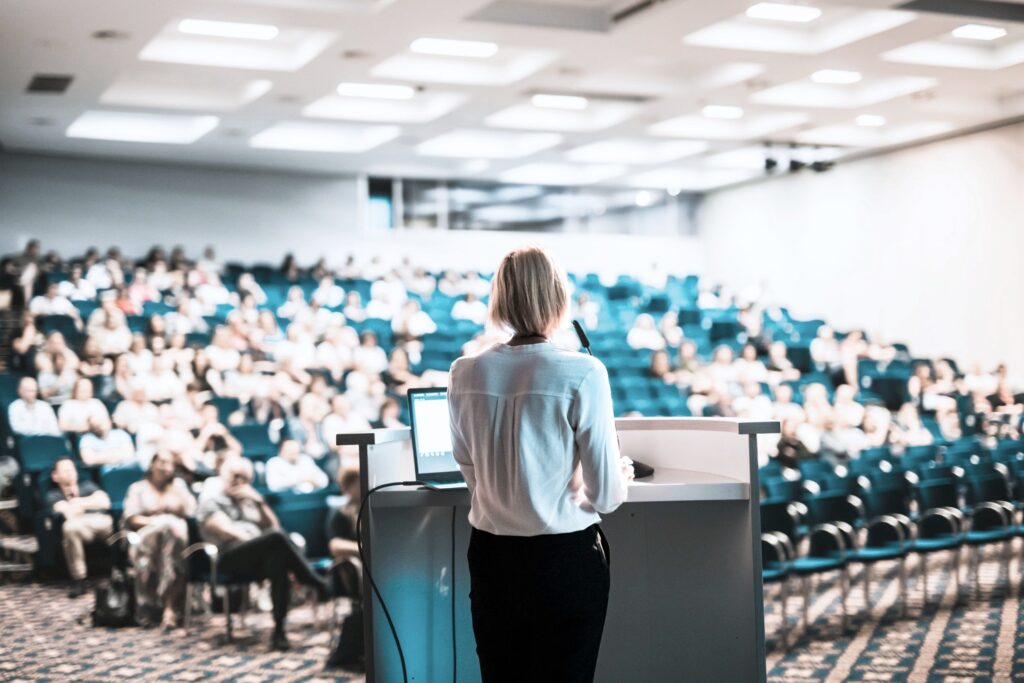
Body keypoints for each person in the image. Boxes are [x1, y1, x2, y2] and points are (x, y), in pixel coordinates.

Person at [448, 246, 631, 683]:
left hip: (492, 557)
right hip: (564, 559)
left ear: (501, 299)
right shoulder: (583, 372)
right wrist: (620, 474)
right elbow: (606, 496)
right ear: (557, 298)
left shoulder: (464, 372)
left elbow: (469, 468)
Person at [197, 457, 331, 651]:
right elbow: (227, 532)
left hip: (258, 557)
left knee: (280, 560)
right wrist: (262, 543)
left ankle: (279, 632)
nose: (239, 481)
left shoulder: (251, 502)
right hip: (229, 557)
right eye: (234, 476)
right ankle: (313, 580)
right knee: (275, 540)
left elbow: (275, 527)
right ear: (223, 477)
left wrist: (259, 502)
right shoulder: (212, 502)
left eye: (244, 478)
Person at [122, 451, 197, 628]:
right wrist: (155, 521)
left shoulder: (178, 486)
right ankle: (162, 607)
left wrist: (177, 506)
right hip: (147, 535)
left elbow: (192, 512)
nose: (166, 467)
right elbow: (131, 518)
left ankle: (168, 608)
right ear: (152, 464)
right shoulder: (138, 488)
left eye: (170, 463)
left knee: (171, 541)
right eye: (162, 462)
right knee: (166, 531)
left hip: (176, 539)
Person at [46, 458, 113, 596]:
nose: (70, 472)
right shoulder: (53, 494)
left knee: (119, 524)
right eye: (65, 470)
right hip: (81, 528)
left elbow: (105, 502)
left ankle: (121, 570)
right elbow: (67, 513)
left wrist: (78, 503)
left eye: (72, 469)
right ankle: (79, 579)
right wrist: (91, 503)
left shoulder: (87, 486)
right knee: (69, 528)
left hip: (101, 522)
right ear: (55, 476)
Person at [325, 467, 365, 672]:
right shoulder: (340, 514)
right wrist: (362, 549)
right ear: (348, 487)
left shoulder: (371, 508)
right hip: (349, 573)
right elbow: (335, 545)